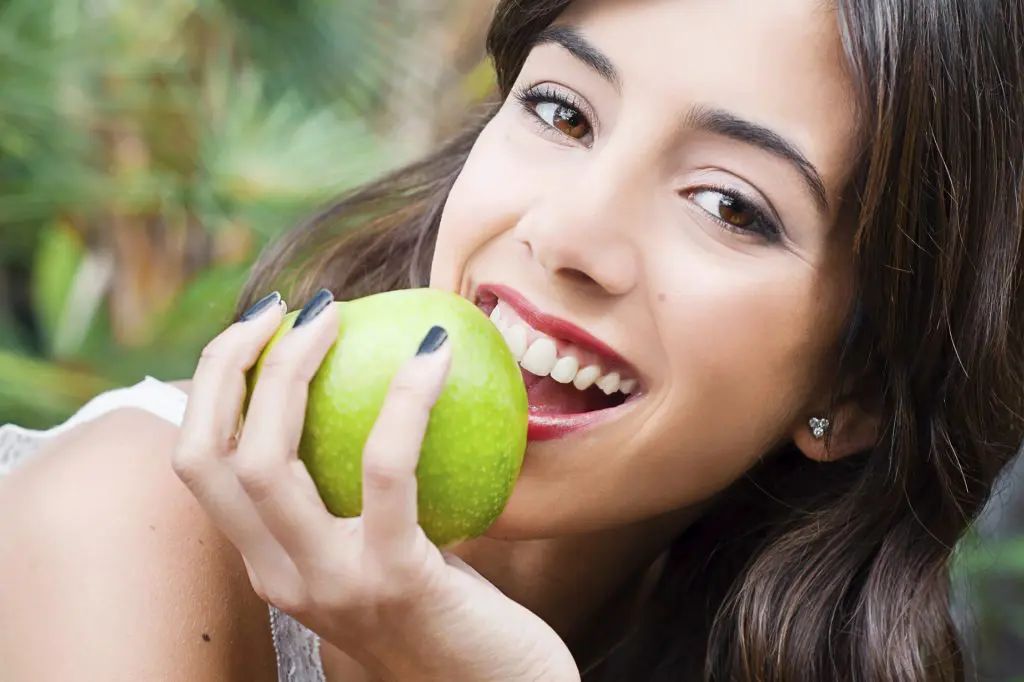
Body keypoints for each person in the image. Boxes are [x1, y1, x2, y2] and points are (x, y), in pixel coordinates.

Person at [1, 0, 1022, 679]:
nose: (568, 232)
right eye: (561, 112)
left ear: (858, 391)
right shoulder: (135, 514)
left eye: (726, 204)